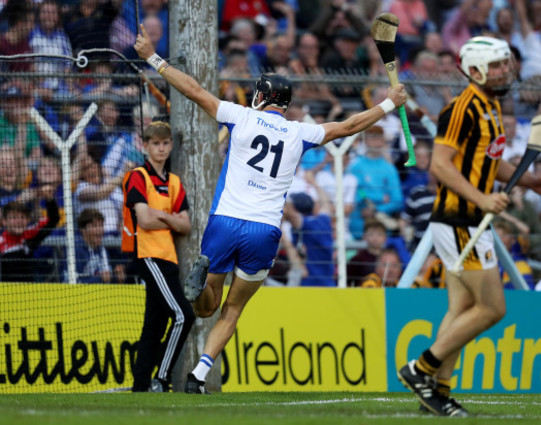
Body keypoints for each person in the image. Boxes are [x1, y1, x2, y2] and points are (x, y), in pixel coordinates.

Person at [133, 23, 407, 394]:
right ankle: (198, 376)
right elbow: (349, 125)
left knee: (204, 309)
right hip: (264, 231)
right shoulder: (299, 132)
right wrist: (390, 101)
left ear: (260, 97)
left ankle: (198, 289)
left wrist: (152, 57)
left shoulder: (239, 116)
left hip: (225, 223)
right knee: (233, 309)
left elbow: (194, 90)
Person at [397, 36, 541, 417]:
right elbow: (440, 165)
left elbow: (490, 163)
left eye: (507, 63)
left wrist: (532, 182)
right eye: (499, 65)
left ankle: (436, 392)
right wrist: (482, 198)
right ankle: (420, 369)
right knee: (492, 307)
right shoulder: (462, 108)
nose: (507, 70)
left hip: (468, 222)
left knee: (462, 308)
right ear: (475, 71)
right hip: (459, 221)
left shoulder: (491, 106)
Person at [122, 121, 195, 393]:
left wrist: (160, 215)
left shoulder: (174, 182)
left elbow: (186, 225)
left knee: (154, 324)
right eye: (155, 143)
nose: (161, 148)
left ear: (171, 145)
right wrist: (170, 218)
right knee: (182, 315)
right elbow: (144, 220)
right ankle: (160, 379)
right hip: (148, 255)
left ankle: (141, 386)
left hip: (168, 256)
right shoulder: (137, 176)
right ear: (146, 146)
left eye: (165, 143)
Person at [69, 208, 126, 284]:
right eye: (94, 226)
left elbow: (106, 281)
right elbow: (69, 281)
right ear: (83, 229)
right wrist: (99, 278)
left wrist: (117, 278)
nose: (99, 230)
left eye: (101, 225)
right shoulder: (76, 251)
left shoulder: (103, 250)